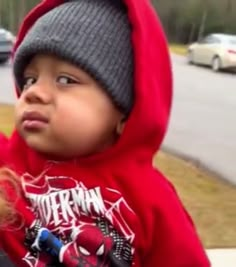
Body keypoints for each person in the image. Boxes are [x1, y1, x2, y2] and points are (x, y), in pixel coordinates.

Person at [0, 0, 210, 266]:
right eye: (30, 79)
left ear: (124, 113)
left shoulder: (151, 198)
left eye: (66, 80)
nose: (33, 92)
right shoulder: (10, 160)